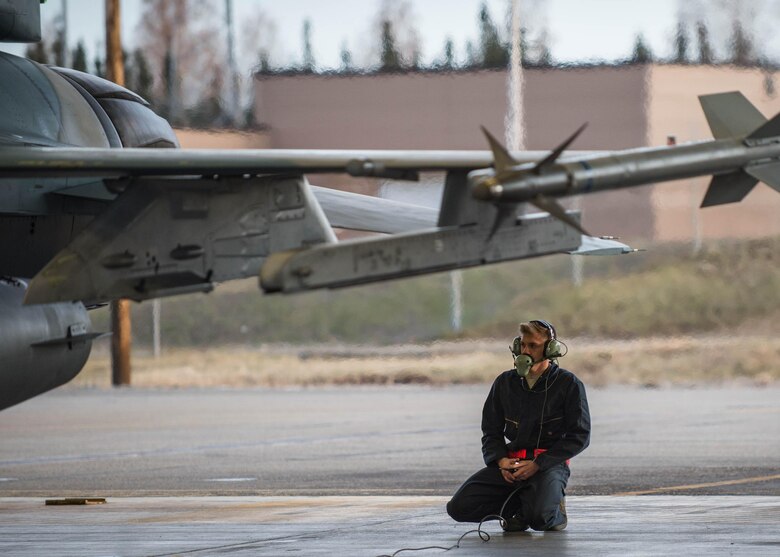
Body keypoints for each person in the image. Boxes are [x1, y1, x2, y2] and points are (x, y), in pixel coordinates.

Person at [446, 320, 591, 532]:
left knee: (540, 519)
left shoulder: (568, 385)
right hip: (511, 465)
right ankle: (517, 509)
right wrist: (501, 460)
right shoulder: (505, 383)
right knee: (458, 508)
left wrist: (538, 464)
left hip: (547, 466)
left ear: (551, 349)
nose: (526, 351)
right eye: (523, 345)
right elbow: (490, 432)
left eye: (533, 346)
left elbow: (580, 435)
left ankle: (554, 511)